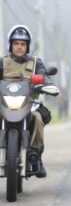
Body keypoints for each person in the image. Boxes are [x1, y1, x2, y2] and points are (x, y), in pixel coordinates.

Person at [0, 25, 52, 178]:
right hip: (4, 105)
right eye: (16, 43)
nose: (19, 47)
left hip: (29, 105)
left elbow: (45, 77)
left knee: (37, 117)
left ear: (28, 46)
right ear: (10, 44)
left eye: (23, 44)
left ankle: (35, 156)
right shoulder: (2, 62)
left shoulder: (36, 63)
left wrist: (47, 84)